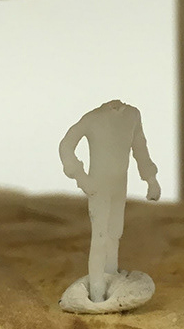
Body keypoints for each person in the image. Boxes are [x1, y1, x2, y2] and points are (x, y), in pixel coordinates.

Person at [58, 100, 161, 311]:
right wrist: (81, 177)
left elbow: (140, 148)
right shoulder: (93, 119)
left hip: (119, 184)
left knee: (114, 232)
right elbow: (66, 145)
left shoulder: (132, 116)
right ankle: (97, 291)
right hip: (98, 185)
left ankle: (110, 275)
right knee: (100, 235)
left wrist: (151, 179)